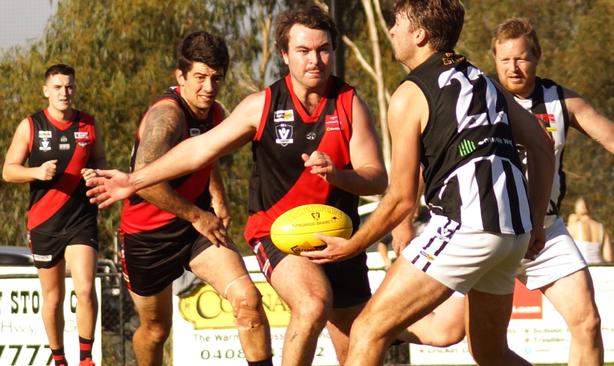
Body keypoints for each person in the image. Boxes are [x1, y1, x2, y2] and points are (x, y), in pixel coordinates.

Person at [86, 7, 387, 366]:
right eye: (304, 51)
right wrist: (134, 181)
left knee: (350, 344)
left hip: (327, 232)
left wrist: (337, 174)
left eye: (323, 50)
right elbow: (196, 152)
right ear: (284, 54)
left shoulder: (350, 103)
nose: (315, 60)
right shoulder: (218, 111)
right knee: (155, 330)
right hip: (190, 234)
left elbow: (377, 177)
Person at [303, 1, 555, 364]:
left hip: (467, 225)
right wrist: (534, 223)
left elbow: (402, 199)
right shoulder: (483, 81)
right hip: (513, 232)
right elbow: (543, 145)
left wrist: (352, 246)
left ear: (419, 35)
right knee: (491, 354)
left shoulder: (409, 94)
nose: (391, 31)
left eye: (397, 24)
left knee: (367, 329)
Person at [390, 17, 614, 366]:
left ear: (538, 57)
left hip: (544, 230)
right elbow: (424, 167)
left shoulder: (560, 102)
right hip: (481, 227)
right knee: (449, 335)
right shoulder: (475, 98)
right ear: (493, 60)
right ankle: (375, 324)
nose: (514, 67)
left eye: (522, 58)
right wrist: (403, 222)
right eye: (505, 59)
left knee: (587, 322)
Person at [115, 31, 272, 366]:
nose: (209, 87)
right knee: (156, 331)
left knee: (248, 300)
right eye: (200, 77)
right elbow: (143, 183)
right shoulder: (167, 117)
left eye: (216, 78)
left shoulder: (214, 112)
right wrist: (198, 215)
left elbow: (204, 153)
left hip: (195, 230)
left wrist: (217, 196)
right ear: (180, 77)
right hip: (148, 235)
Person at [2, 64, 105, 366]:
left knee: (85, 287)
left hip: (81, 219)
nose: (65, 92)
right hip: (44, 222)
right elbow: (8, 170)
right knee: (54, 297)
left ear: (75, 88)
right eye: (58, 87)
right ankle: (59, 358)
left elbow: (101, 161)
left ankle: (86, 359)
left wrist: (94, 173)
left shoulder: (88, 124)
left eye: (69, 86)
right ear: (46, 90)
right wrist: (36, 171)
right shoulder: (31, 126)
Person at [567, 197, 613, 264]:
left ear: (577, 210)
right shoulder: (602, 228)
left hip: (581, 268)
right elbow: (609, 258)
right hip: (599, 266)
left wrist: (570, 222)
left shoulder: (574, 226)